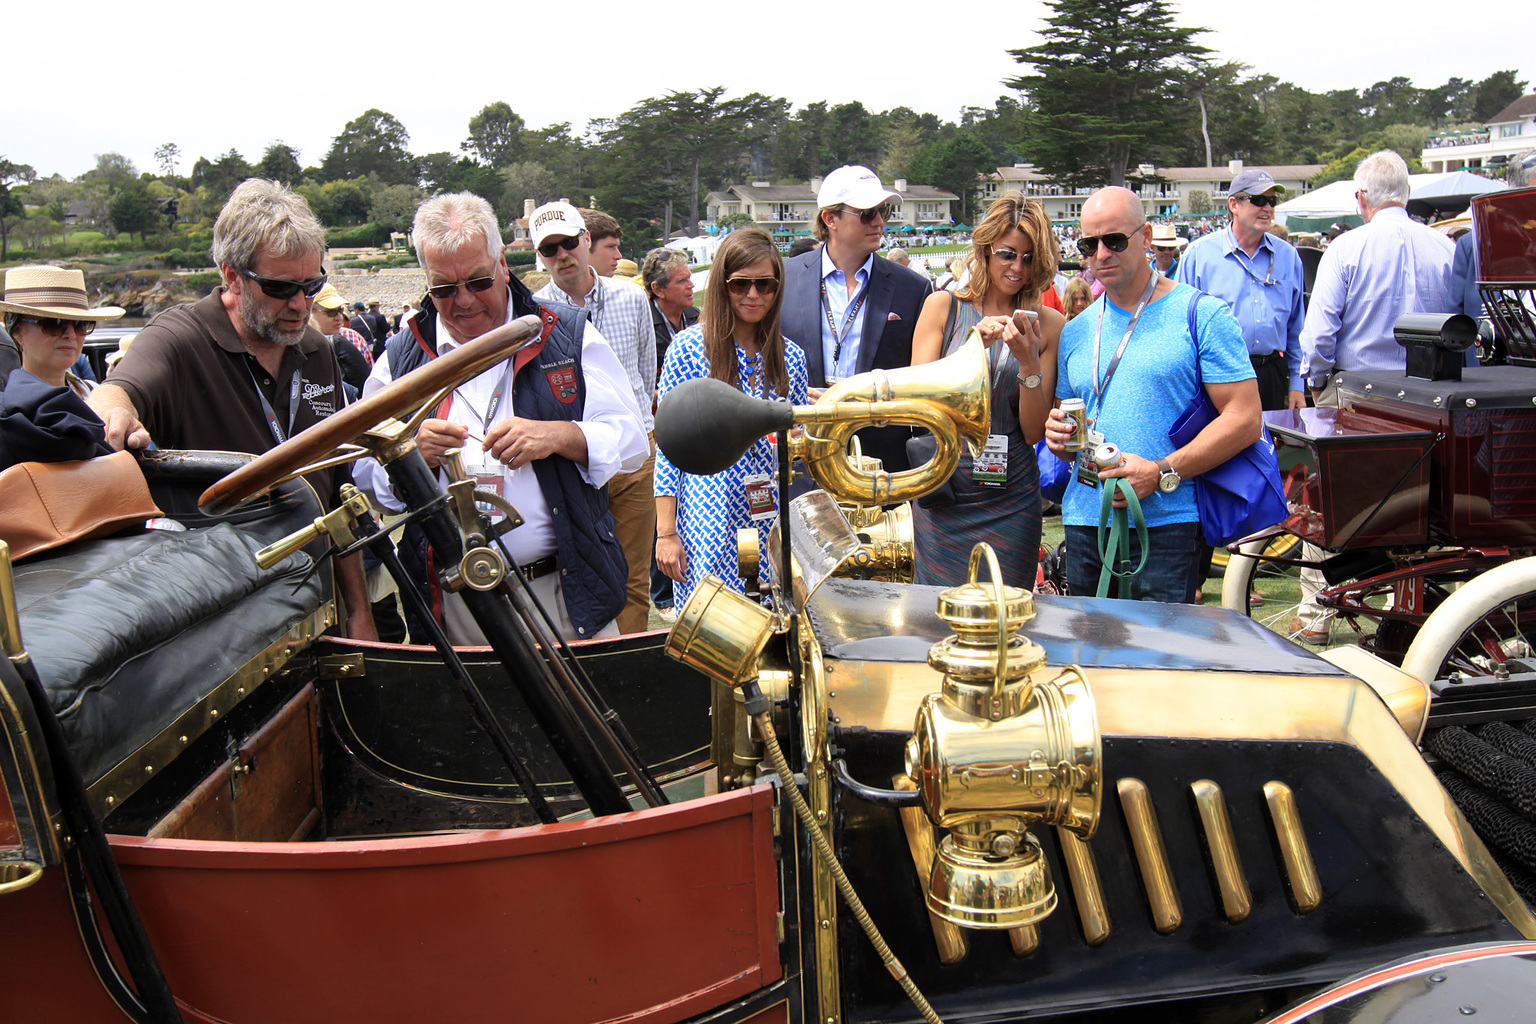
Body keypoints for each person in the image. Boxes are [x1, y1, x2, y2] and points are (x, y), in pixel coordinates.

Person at [88, 178, 376, 640]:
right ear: (231, 276)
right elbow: (117, 392)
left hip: (317, 610)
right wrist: (111, 414)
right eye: (281, 287)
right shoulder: (179, 339)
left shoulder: (316, 349)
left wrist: (359, 615)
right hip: (228, 631)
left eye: (313, 284)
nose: (301, 305)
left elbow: (339, 492)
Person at [358, 192, 647, 644]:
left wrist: (562, 435)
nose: (463, 301)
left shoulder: (565, 334)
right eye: (444, 289)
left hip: (564, 595)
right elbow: (366, 482)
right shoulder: (400, 360)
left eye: (477, 282)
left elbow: (632, 443)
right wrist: (409, 460)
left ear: (503, 266)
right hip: (454, 603)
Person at [1043, 186, 1261, 604]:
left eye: (1115, 240)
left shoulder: (1201, 313)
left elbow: (1246, 418)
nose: (1101, 253)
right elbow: (1071, 431)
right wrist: (1061, 439)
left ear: (1145, 237)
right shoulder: (1076, 330)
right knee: (1093, 659)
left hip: (1167, 522)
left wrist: (1161, 471)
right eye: (1089, 243)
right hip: (1087, 520)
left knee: (1161, 662)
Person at [1292, 150, 1455, 642]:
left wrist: (1314, 380)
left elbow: (1319, 334)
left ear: (1362, 199)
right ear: (1406, 196)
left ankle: (1315, 612)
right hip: (1428, 397)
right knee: (1419, 507)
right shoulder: (1445, 248)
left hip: (1355, 394)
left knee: (1327, 502)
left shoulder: (1346, 249)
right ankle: (1400, 604)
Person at [908, 193, 1063, 589]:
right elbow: (917, 403)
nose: (1017, 268)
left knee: (1008, 617)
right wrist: (973, 347)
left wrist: (1028, 362)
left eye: (1029, 258)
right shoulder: (944, 308)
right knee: (937, 616)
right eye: (1008, 254)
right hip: (945, 488)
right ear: (986, 248)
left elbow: (1032, 433)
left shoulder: (1048, 325)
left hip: (1011, 494)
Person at [654, 228, 808, 607]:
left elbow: (798, 451)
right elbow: (669, 448)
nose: (753, 295)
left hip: (767, 515)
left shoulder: (792, 359)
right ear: (724, 285)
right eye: (741, 284)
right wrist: (666, 532)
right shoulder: (689, 349)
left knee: (769, 621)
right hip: (707, 515)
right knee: (714, 628)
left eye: (765, 285)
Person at [530, 201, 659, 635]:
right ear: (540, 257)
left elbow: (645, 373)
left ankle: (629, 667)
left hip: (635, 457)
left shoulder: (632, 297)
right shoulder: (533, 313)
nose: (563, 255)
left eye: (569, 243)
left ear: (586, 241)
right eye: (551, 249)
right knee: (582, 571)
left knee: (634, 576)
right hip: (574, 460)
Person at [779, 165, 932, 474]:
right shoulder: (782, 278)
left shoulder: (914, 288)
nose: (878, 222)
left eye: (883, 211)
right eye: (866, 213)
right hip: (802, 459)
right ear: (830, 218)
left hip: (883, 468)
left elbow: (921, 380)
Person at [1176, 167, 1306, 412]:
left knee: (1268, 450)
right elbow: (1180, 327)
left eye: (1271, 201)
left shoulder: (1288, 257)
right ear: (1233, 204)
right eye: (1258, 200)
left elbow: (1297, 328)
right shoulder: (1198, 255)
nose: (1267, 208)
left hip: (1271, 376)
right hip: (1217, 376)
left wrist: (1297, 384)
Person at [0, 266, 123, 398]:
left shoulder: (95, 394)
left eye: (80, 324)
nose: (71, 334)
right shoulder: (9, 410)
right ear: (17, 331)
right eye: (54, 323)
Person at [310, 284, 372, 395]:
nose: (339, 317)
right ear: (310, 312)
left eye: (340, 310)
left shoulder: (354, 337)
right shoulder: (299, 345)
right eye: (331, 312)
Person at [580, 209, 626, 278]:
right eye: (610, 247)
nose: (618, 256)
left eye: (617, 247)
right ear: (587, 242)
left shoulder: (627, 288)